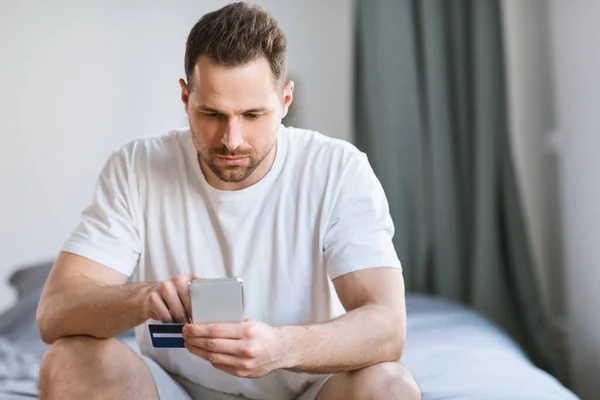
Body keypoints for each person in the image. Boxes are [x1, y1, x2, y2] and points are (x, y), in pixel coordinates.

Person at [36, 2, 421, 399]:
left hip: (305, 388)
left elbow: (388, 325)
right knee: (68, 360)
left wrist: (282, 348)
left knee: (390, 386)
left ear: (285, 101)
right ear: (185, 97)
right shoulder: (137, 167)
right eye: (212, 113)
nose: (231, 139)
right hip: (176, 389)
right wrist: (143, 298)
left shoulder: (338, 170)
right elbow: (54, 313)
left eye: (252, 115)